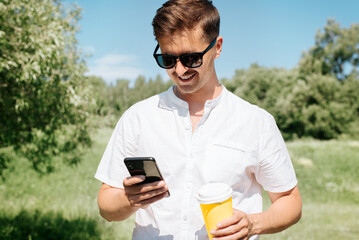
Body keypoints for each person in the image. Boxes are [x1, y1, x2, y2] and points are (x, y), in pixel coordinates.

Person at [95, 0, 302, 239]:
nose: (180, 70)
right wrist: (128, 200)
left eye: (191, 58)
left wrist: (253, 224)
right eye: (168, 60)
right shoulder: (137, 118)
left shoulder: (257, 122)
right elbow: (106, 205)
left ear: (217, 47)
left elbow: (290, 201)